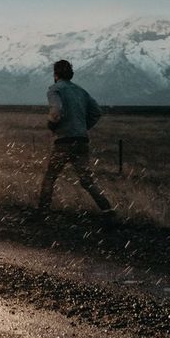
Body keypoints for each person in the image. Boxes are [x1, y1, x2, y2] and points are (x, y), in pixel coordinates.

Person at [38, 60, 115, 219]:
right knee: (86, 180)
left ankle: (43, 213)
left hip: (64, 142)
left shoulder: (54, 90)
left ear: (55, 74)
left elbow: (56, 109)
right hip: (81, 141)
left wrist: (52, 124)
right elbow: (96, 112)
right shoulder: (81, 91)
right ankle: (108, 211)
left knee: (50, 177)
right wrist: (82, 127)